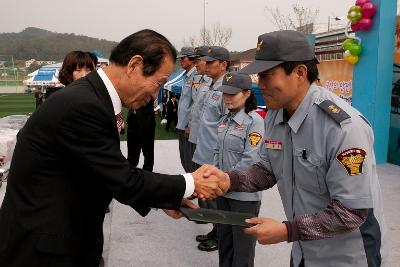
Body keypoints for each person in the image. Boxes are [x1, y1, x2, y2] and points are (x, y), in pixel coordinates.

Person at [0, 29, 230, 266]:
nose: (155, 95)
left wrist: (164, 199)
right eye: (158, 83)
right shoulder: (84, 106)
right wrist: (192, 182)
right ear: (135, 65)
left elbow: (105, 172)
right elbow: (123, 178)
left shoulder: (91, 97)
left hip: (61, 238)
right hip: (45, 249)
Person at [204, 30, 388, 267]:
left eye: (267, 76)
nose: (261, 85)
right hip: (304, 251)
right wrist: (227, 180)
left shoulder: (342, 128)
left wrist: (286, 231)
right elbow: (266, 170)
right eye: (258, 77)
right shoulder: (275, 115)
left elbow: (351, 212)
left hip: (348, 257)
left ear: (300, 73)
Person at [214, 72, 264, 267]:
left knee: (243, 249)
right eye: (225, 93)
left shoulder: (255, 122)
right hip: (222, 192)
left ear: (247, 94)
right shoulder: (225, 119)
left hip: (244, 196)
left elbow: (250, 158)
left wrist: (225, 180)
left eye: (232, 94)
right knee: (225, 242)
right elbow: (217, 150)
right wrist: (214, 175)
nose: (227, 97)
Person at [192, 46, 230, 252]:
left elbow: (227, 124)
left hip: (215, 153)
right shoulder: (212, 84)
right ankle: (216, 229)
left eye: (210, 62)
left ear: (223, 64)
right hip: (205, 149)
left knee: (218, 198)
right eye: (205, 62)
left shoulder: (227, 88)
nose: (205, 66)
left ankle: (220, 235)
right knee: (212, 197)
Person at [188, 46, 213, 171]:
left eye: (198, 61)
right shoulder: (201, 80)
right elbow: (196, 106)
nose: (195, 65)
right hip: (196, 134)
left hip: (207, 142)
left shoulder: (217, 84)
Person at [176, 47, 197, 172]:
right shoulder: (187, 76)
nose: (181, 61)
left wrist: (189, 124)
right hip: (182, 125)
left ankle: (194, 187)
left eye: (183, 58)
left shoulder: (196, 76)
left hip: (187, 127)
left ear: (192, 59)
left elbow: (196, 103)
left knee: (189, 160)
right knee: (184, 158)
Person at [127, 100, 156, 171]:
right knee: (132, 151)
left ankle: (147, 175)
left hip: (146, 122)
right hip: (132, 120)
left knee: (148, 152)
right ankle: (130, 172)